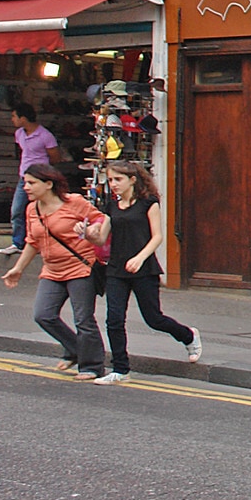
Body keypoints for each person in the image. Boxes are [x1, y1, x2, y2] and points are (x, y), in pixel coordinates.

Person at [1, 162, 108, 379]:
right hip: (52, 270)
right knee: (43, 315)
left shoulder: (74, 202)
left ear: (48, 184)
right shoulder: (32, 209)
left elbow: (101, 218)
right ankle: (75, 349)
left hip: (80, 267)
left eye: (31, 183)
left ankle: (92, 366)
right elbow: (33, 241)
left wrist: (94, 231)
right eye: (25, 183)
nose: (26, 188)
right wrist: (18, 268)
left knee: (83, 319)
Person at [99, 159, 200, 382]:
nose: (113, 184)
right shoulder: (112, 205)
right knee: (114, 319)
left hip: (144, 269)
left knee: (153, 318)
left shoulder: (148, 203)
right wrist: (85, 232)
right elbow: (100, 236)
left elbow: (157, 237)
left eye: (118, 179)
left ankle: (188, 335)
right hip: (116, 269)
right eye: (110, 180)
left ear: (132, 180)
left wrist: (139, 258)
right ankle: (120, 369)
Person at [0, 103, 59, 257]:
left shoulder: (45, 135)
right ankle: (18, 243)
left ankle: (44, 242)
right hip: (24, 177)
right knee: (17, 210)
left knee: (42, 210)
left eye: (14, 116)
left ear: (23, 118)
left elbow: (55, 157)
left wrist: (44, 172)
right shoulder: (19, 133)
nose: (12, 119)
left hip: (41, 178)